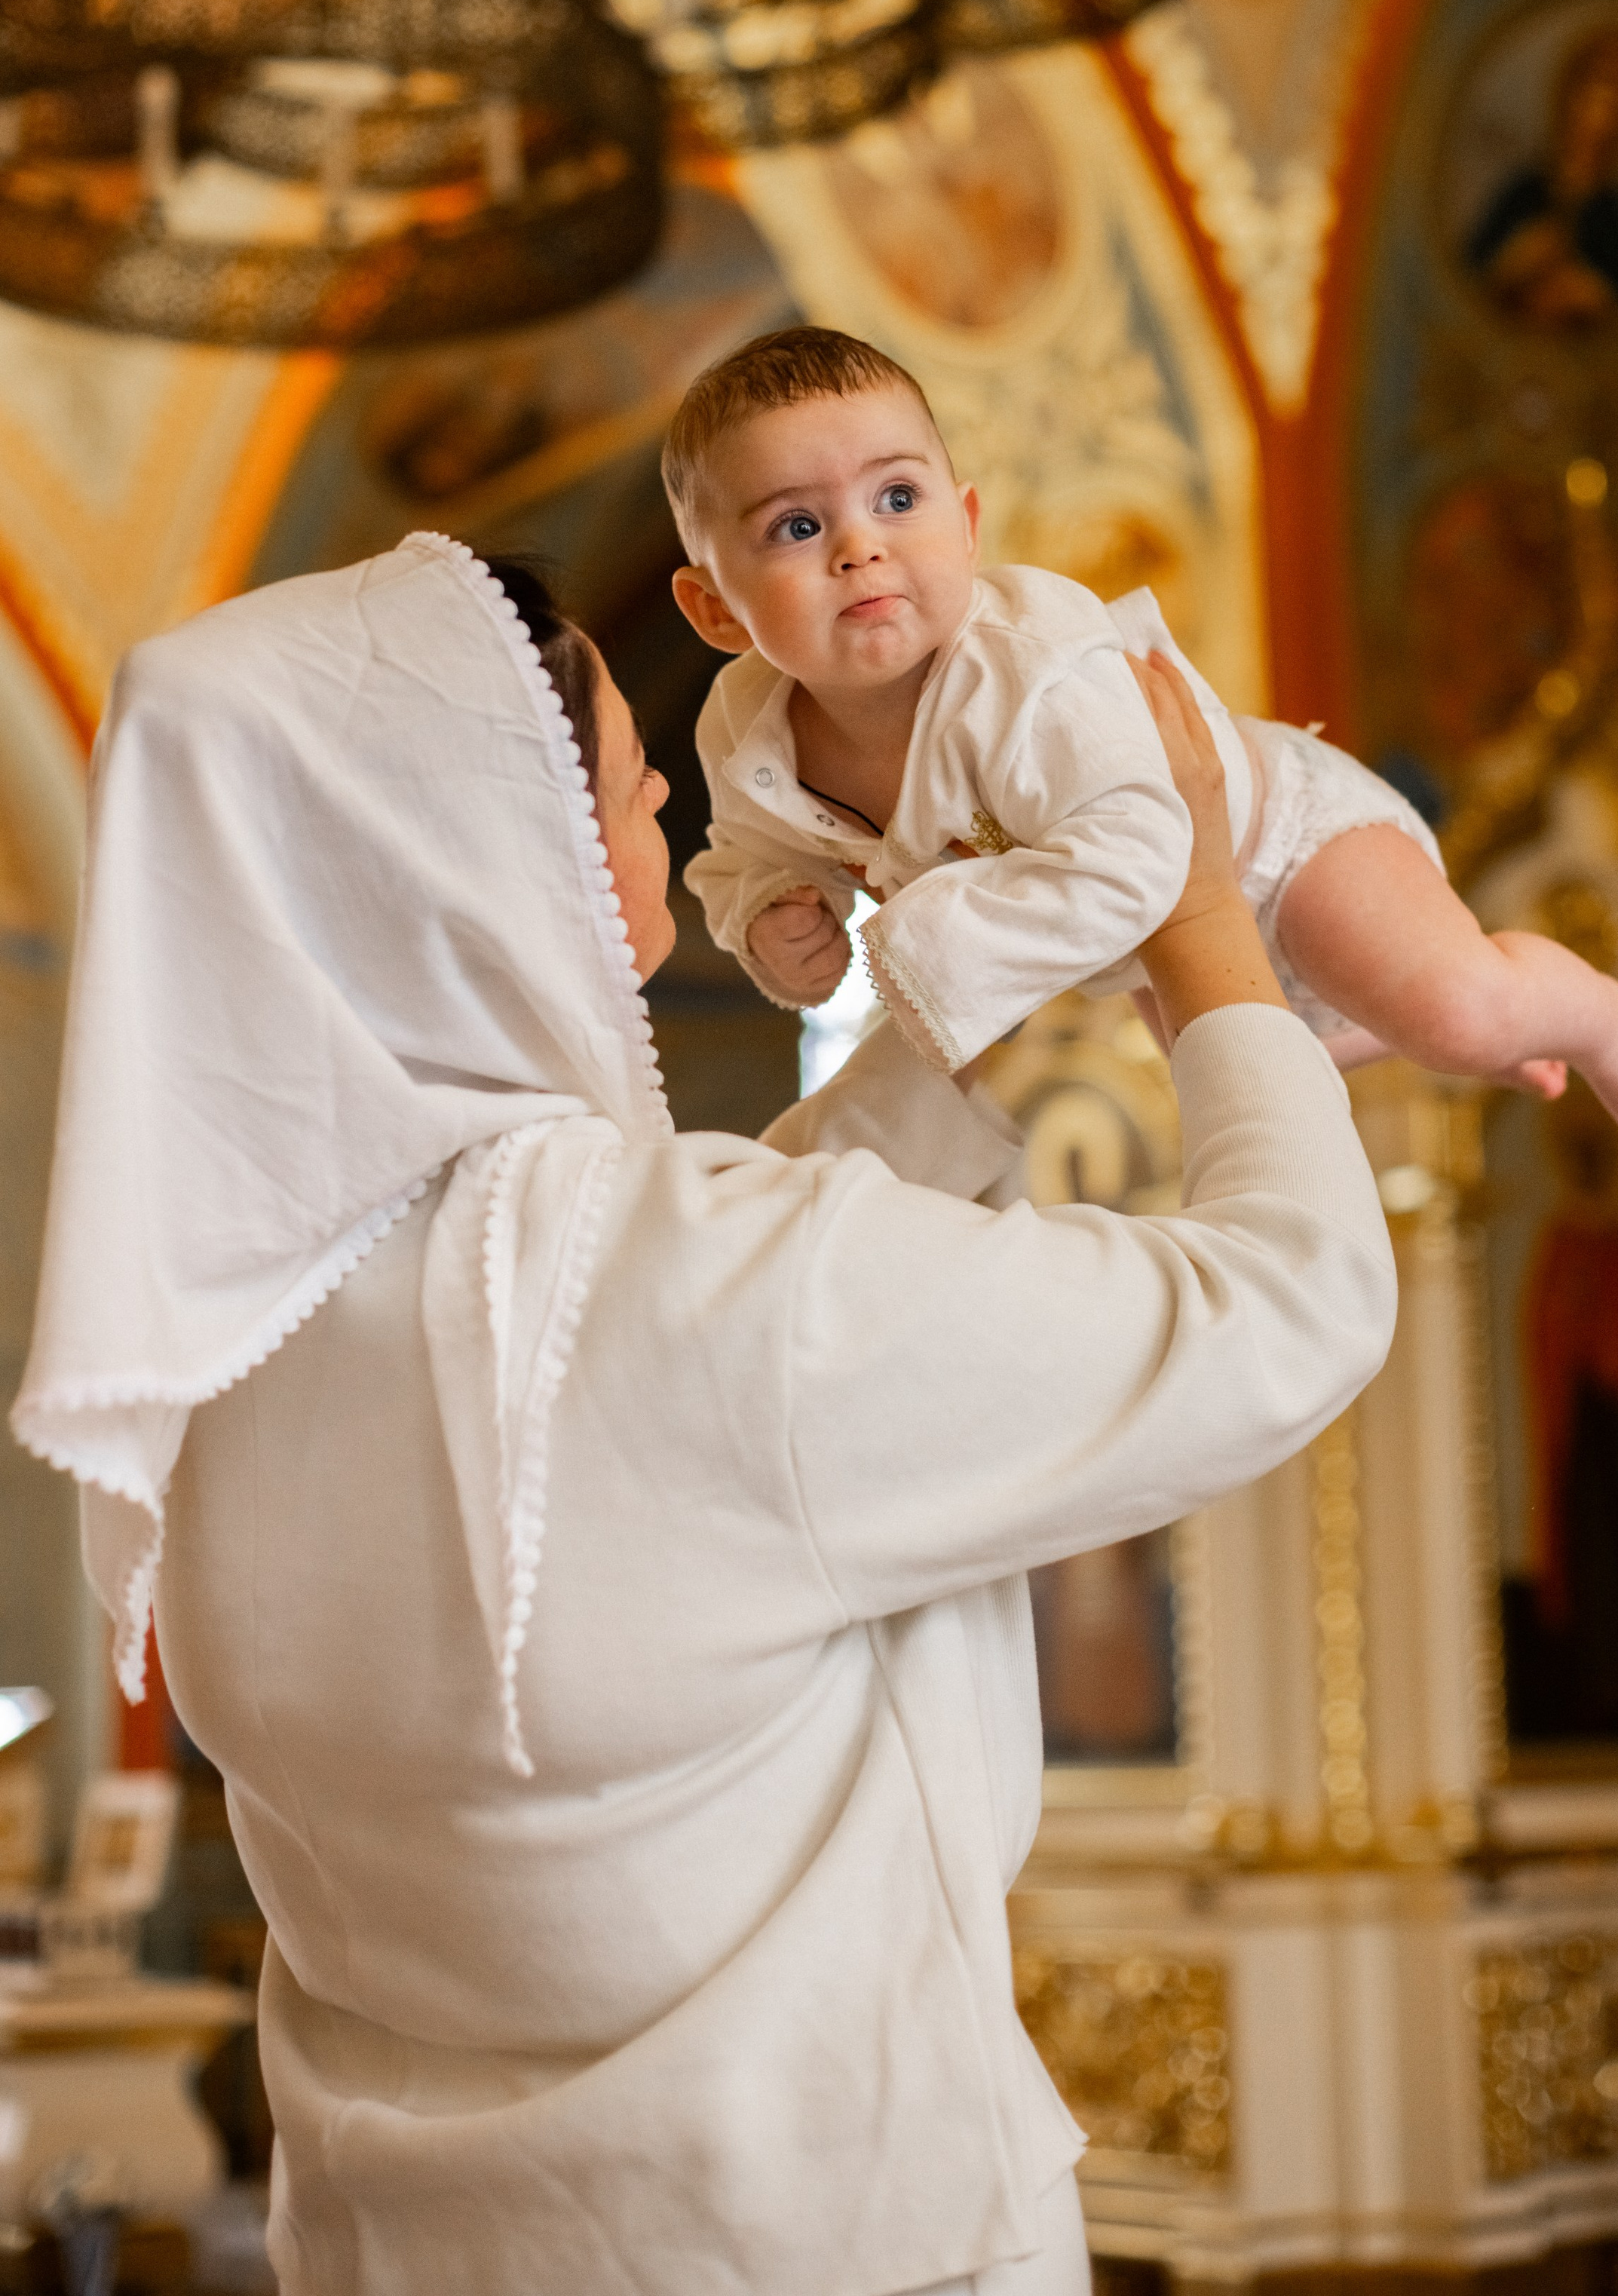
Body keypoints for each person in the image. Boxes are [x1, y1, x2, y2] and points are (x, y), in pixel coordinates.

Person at [11, 529, 1399, 2296]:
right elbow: (1290, 1300)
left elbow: (695, 1349)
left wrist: (991, 980)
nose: (664, 788)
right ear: (483, 851)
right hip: (830, 2245)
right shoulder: (687, 1288)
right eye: (614, 776)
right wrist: (1199, 927)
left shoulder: (222, 1340)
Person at [667, 330, 1618, 1173]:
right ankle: (1432, 1018)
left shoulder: (1029, 671)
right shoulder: (747, 734)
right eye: (796, 527)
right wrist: (772, 920)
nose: (861, 546)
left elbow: (1147, 855)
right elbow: (749, 855)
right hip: (1147, 939)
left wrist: (938, 946)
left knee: (1456, 1010)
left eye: (898, 499)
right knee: (1234, 1063)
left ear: (969, 525)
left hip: (1280, 840)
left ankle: (1591, 1015)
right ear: (715, 609)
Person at [1462, 26, 1618, 330]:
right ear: (1569, 98)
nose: (1599, 117)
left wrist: (1591, 295)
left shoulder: (1615, 217)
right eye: (1591, 94)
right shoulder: (1524, 191)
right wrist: (1514, 262)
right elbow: (1469, 277)